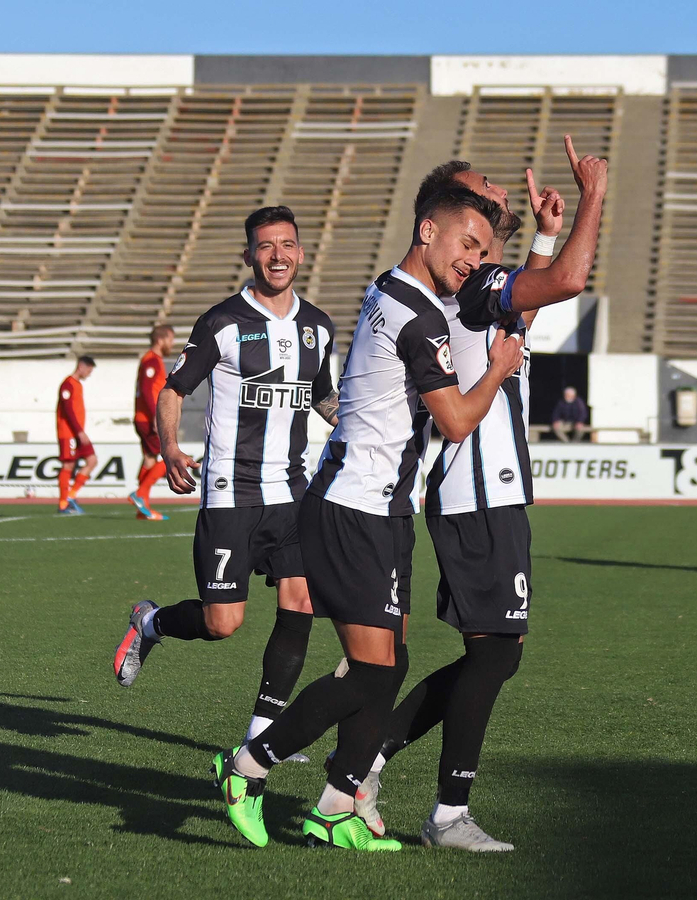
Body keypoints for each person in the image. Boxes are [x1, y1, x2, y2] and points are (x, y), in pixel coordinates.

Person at [213, 185, 522, 852]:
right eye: (468, 245)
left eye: (483, 251)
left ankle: (335, 806)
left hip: (382, 509)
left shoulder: (395, 289)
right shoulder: (417, 316)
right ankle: (247, 768)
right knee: (374, 670)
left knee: (390, 661)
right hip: (354, 508)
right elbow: (457, 422)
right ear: (427, 231)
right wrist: (498, 370)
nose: (475, 261)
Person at [356, 138, 607, 853]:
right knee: (494, 656)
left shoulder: (472, 283)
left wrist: (546, 235)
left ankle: (370, 765)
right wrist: (592, 196)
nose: (497, 197)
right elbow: (566, 284)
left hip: (489, 491)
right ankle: (438, 810)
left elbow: (520, 314)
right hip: (474, 491)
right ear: (448, 213)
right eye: (483, 193)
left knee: (497, 654)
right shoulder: (467, 285)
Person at [112, 206, 338, 766]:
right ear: (249, 256)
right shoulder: (222, 322)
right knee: (222, 624)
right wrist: (169, 448)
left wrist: (368, 431)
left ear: (301, 252)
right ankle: (152, 622)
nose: (278, 255)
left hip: (292, 492)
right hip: (230, 493)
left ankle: (261, 733)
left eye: (287, 244)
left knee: (302, 601)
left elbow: (323, 397)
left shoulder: (318, 326)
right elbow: (173, 390)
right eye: (266, 246)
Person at [129, 325, 175, 521]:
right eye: (170, 339)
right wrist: (156, 416)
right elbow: (147, 390)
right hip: (148, 418)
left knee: (150, 459)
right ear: (160, 340)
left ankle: (143, 508)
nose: (172, 344)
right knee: (168, 456)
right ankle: (140, 494)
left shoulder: (151, 359)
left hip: (144, 417)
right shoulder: (152, 360)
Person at [55, 356, 97, 515]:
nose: (89, 374)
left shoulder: (77, 385)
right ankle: (63, 504)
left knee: (92, 460)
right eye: (89, 370)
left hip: (78, 432)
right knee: (68, 465)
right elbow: (67, 410)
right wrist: (79, 431)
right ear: (81, 366)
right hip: (69, 433)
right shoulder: (67, 384)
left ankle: (71, 496)